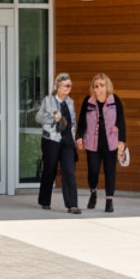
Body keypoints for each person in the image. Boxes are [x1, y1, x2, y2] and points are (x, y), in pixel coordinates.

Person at [77, 73, 126, 213]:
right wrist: (79, 137)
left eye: (102, 85)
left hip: (110, 141)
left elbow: (121, 122)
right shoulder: (88, 101)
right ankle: (93, 192)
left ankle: (109, 200)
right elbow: (81, 121)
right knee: (93, 170)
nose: (99, 89)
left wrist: (122, 141)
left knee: (110, 171)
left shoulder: (115, 100)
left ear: (107, 86)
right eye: (96, 86)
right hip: (92, 142)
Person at [35, 72, 80, 213]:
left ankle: (72, 204)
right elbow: (38, 118)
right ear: (58, 86)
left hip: (67, 141)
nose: (68, 88)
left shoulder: (70, 102)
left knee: (69, 170)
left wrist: (74, 138)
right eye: (66, 85)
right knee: (49, 170)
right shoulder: (48, 100)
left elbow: (73, 121)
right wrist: (53, 118)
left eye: (70, 85)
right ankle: (44, 201)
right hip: (51, 140)